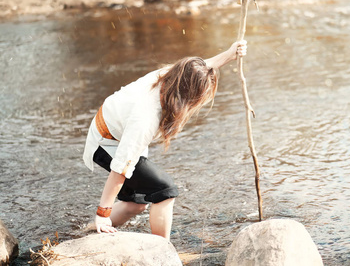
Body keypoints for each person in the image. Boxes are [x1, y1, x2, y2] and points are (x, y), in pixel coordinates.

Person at [83, 40, 247, 240]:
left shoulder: (173, 77)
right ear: (188, 96)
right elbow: (120, 168)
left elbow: (199, 68)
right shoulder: (146, 117)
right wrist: (102, 213)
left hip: (118, 126)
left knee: (137, 203)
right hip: (107, 140)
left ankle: (89, 234)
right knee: (164, 190)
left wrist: (230, 54)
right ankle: (162, 251)